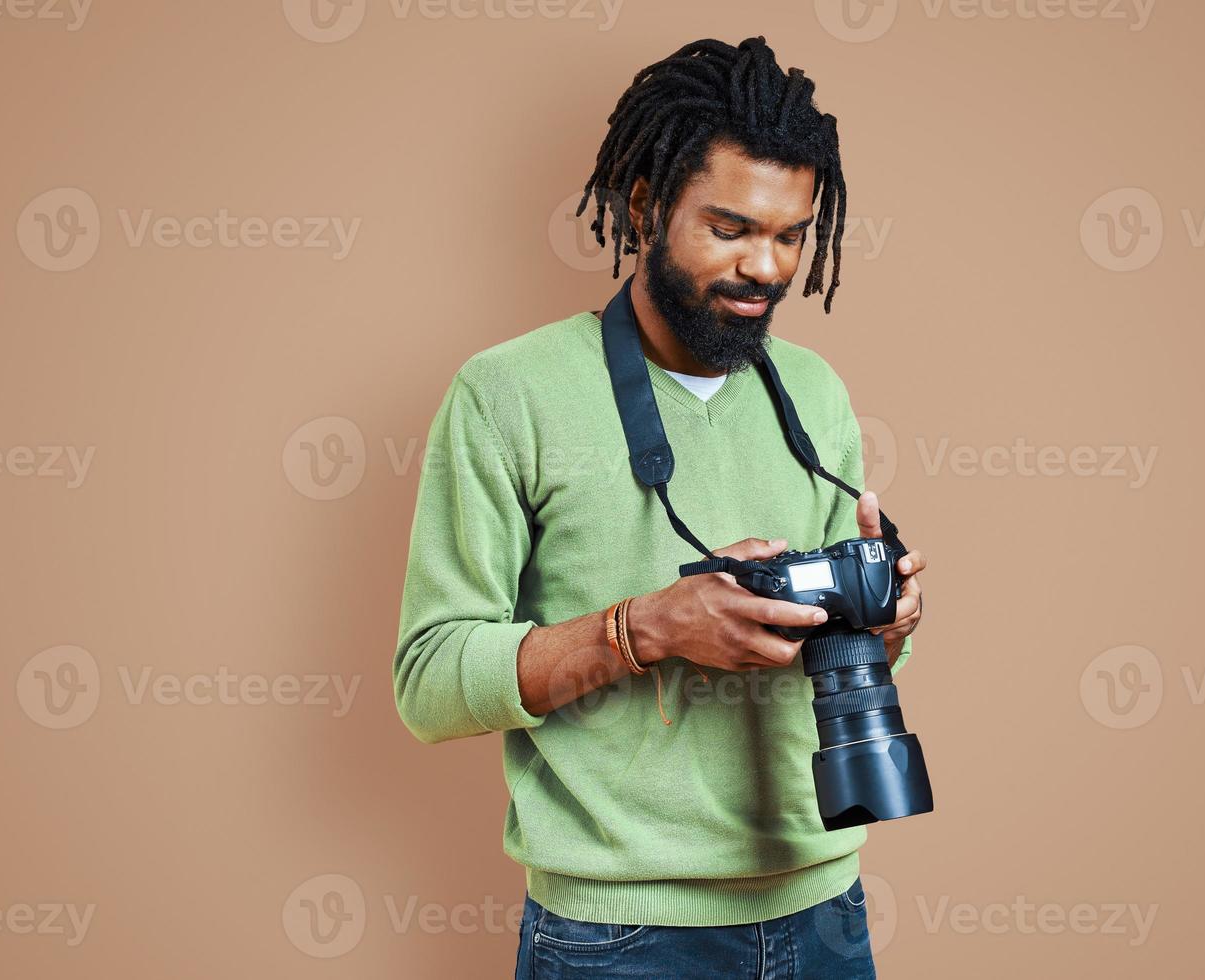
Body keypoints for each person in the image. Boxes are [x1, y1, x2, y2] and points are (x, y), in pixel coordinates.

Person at [393, 35, 927, 979]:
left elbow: (835, 641)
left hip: (826, 910)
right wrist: (644, 628)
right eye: (729, 229)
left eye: (791, 235)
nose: (766, 268)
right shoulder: (506, 393)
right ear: (645, 206)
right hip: (617, 937)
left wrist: (883, 623)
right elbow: (429, 681)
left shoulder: (814, 389)